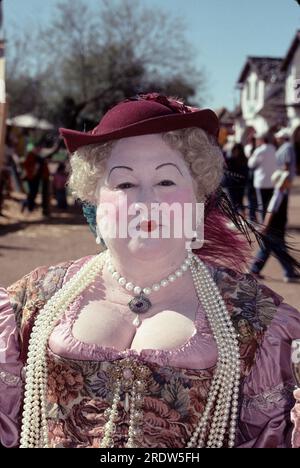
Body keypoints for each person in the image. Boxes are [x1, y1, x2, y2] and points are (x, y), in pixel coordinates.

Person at [0, 93, 299, 449]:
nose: (145, 201)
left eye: (166, 182)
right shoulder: (31, 301)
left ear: (197, 200)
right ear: (95, 200)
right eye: (124, 184)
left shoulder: (260, 318)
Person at [250, 170, 300, 283]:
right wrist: (266, 226)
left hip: (276, 228)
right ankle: (289, 273)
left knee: (267, 250)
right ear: (281, 182)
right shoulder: (278, 194)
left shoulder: (282, 193)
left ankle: (254, 270)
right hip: (274, 228)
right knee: (279, 250)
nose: (288, 181)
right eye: (286, 179)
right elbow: (270, 211)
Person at [248, 132, 278, 222]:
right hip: (271, 181)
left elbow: (250, 164)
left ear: (261, 140)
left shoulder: (259, 150)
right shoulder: (273, 149)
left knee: (261, 204)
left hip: (261, 182)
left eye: (257, 139)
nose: (256, 141)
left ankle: (262, 224)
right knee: (269, 204)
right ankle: (268, 223)